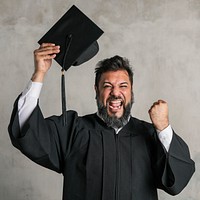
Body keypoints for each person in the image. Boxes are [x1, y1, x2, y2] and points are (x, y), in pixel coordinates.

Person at [8, 43, 195, 200]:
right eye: (107, 86)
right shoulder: (73, 130)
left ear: (131, 91)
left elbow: (177, 181)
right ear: (96, 90)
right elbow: (28, 131)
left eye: (123, 86)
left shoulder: (149, 134)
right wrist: (39, 73)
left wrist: (163, 128)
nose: (115, 93)